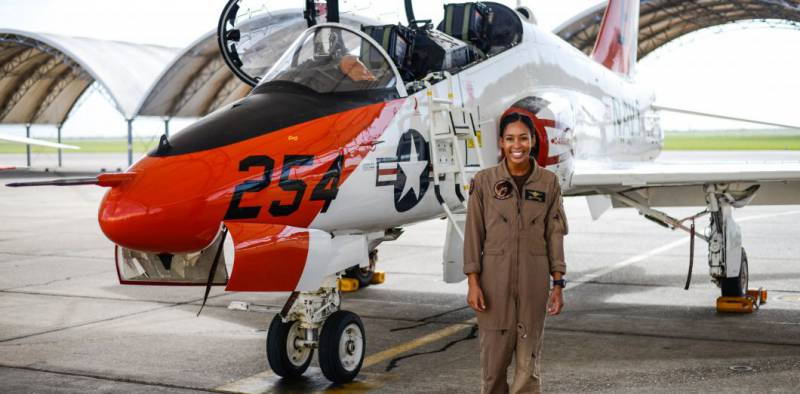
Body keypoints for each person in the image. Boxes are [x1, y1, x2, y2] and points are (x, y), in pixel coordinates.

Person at [463, 111, 568, 394]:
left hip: (534, 283)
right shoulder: (483, 182)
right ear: (501, 142)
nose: (516, 145)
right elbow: (473, 235)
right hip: (493, 285)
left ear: (533, 141)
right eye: (510, 139)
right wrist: (473, 282)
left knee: (527, 368)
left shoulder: (548, 183)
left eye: (523, 138)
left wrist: (557, 284)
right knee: (493, 369)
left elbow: (554, 235)